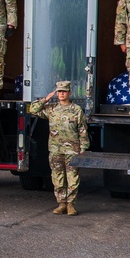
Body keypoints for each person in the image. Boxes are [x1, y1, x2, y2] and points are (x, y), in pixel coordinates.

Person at [27, 81, 89, 216]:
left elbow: (83, 130)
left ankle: (71, 205)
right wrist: (46, 99)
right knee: (57, 176)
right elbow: (33, 109)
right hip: (55, 149)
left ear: (69, 93)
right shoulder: (52, 108)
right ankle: (61, 203)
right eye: (59, 91)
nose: (61, 94)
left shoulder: (76, 110)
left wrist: (83, 147)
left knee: (72, 177)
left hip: (72, 150)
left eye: (64, 91)